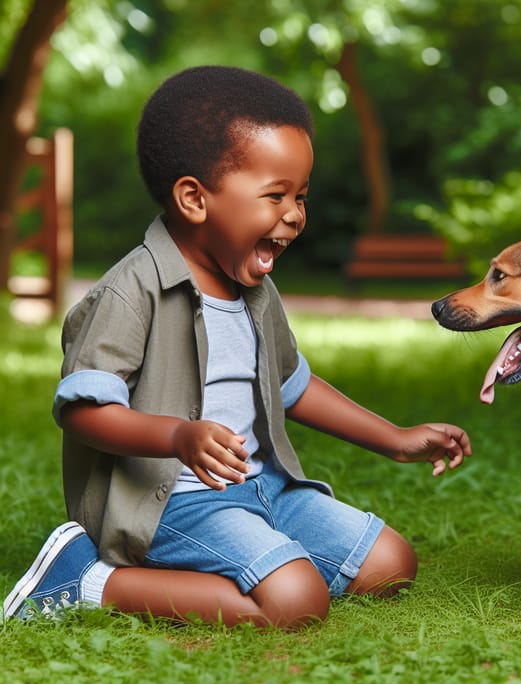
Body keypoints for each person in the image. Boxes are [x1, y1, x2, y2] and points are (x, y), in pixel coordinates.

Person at [3, 66, 471, 629]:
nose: (295, 214)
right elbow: (83, 413)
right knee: (297, 602)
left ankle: (249, 562)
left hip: (262, 486)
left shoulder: (256, 290)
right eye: (275, 196)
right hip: (169, 502)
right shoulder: (131, 293)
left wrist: (394, 440)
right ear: (195, 200)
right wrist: (177, 436)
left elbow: (292, 386)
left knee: (390, 565)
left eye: (301, 195)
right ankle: (88, 580)